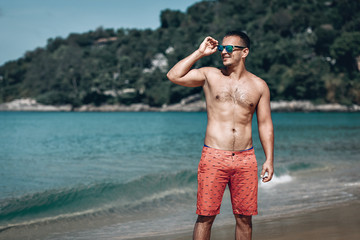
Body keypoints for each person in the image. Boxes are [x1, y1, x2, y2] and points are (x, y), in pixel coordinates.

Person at [167, 30, 274, 240]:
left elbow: (265, 124)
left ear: (244, 52)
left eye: (229, 48)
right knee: (205, 217)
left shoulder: (259, 85)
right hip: (214, 156)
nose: (223, 52)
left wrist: (269, 159)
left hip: (246, 159)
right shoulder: (210, 75)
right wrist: (199, 53)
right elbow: (174, 75)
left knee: (245, 218)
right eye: (221, 48)